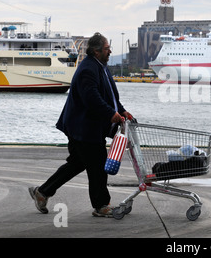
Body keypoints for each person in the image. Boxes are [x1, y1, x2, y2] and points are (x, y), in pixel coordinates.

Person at [29, 32, 134, 218]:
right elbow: (91, 97)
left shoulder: (99, 66)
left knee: (77, 163)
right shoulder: (88, 69)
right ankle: (101, 205)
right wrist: (111, 114)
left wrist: (122, 111)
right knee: (98, 165)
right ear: (96, 51)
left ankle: (43, 192)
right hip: (83, 128)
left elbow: (108, 95)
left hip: (85, 126)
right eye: (107, 49)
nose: (110, 52)